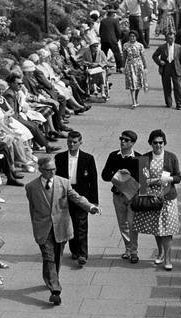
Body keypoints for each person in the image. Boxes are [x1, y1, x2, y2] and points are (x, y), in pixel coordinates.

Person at [25, 155, 99, 307]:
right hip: (43, 228)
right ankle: (55, 290)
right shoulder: (31, 187)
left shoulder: (64, 183)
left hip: (61, 227)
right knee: (48, 256)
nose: (52, 172)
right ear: (40, 170)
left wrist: (90, 207)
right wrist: (36, 226)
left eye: (54, 169)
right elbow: (33, 209)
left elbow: (77, 198)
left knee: (56, 257)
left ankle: (51, 278)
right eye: (48, 170)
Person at [134, 129, 181, 269]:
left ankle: (167, 259)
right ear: (151, 143)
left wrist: (168, 179)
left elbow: (178, 177)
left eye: (161, 142)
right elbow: (142, 181)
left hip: (168, 198)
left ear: (164, 143)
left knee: (167, 230)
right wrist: (154, 180)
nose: (158, 145)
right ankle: (160, 253)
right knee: (157, 228)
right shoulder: (144, 158)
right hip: (152, 199)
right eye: (155, 143)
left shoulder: (171, 157)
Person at [54, 130, 99, 267]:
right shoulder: (60, 157)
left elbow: (93, 179)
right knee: (69, 223)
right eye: (69, 142)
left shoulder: (88, 158)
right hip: (64, 195)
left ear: (80, 142)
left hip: (81, 195)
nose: (71, 145)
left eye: (74, 142)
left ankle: (82, 254)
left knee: (81, 225)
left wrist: (93, 201)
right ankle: (74, 250)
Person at [101, 129, 141, 263]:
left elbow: (143, 180)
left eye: (126, 140)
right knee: (122, 223)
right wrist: (117, 173)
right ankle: (128, 249)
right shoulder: (113, 156)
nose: (122, 141)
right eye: (121, 139)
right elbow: (105, 175)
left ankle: (134, 251)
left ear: (132, 143)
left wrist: (129, 175)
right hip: (118, 195)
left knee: (132, 223)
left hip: (132, 196)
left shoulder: (139, 157)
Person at [153, 30, 181, 109]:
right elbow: (154, 56)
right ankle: (168, 102)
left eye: (172, 38)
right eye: (169, 38)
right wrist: (159, 62)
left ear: (174, 38)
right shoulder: (162, 47)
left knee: (177, 86)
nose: (170, 40)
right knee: (166, 86)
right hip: (166, 67)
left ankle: (179, 103)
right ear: (166, 39)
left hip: (176, 67)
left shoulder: (178, 47)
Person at [121, 30, 147, 108]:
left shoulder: (140, 45)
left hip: (138, 65)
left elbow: (143, 57)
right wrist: (122, 66)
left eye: (133, 36)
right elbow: (124, 57)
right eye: (130, 36)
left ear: (136, 37)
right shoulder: (126, 45)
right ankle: (133, 102)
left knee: (138, 83)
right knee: (131, 83)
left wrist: (145, 66)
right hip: (130, 66)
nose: (132, 38)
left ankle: (136, 98)